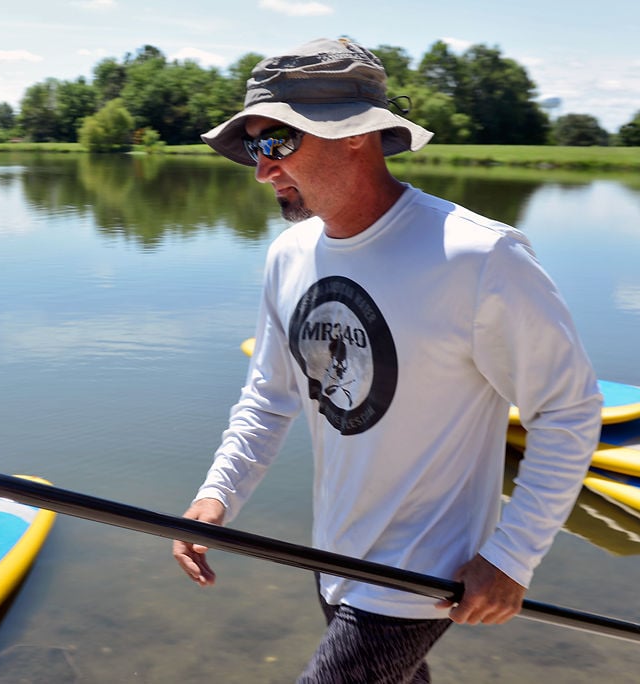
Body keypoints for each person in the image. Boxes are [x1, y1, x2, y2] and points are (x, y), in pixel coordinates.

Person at [171, 37, 602, 683]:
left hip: (423, 576)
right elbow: (270, 393)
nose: (262, 169)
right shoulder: (290, 254)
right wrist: (217, 496)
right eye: (254, 147)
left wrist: (513, 557)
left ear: (354, 135)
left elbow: (568, 412)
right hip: (336, 554)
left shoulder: (481, 257)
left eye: (278, 143)